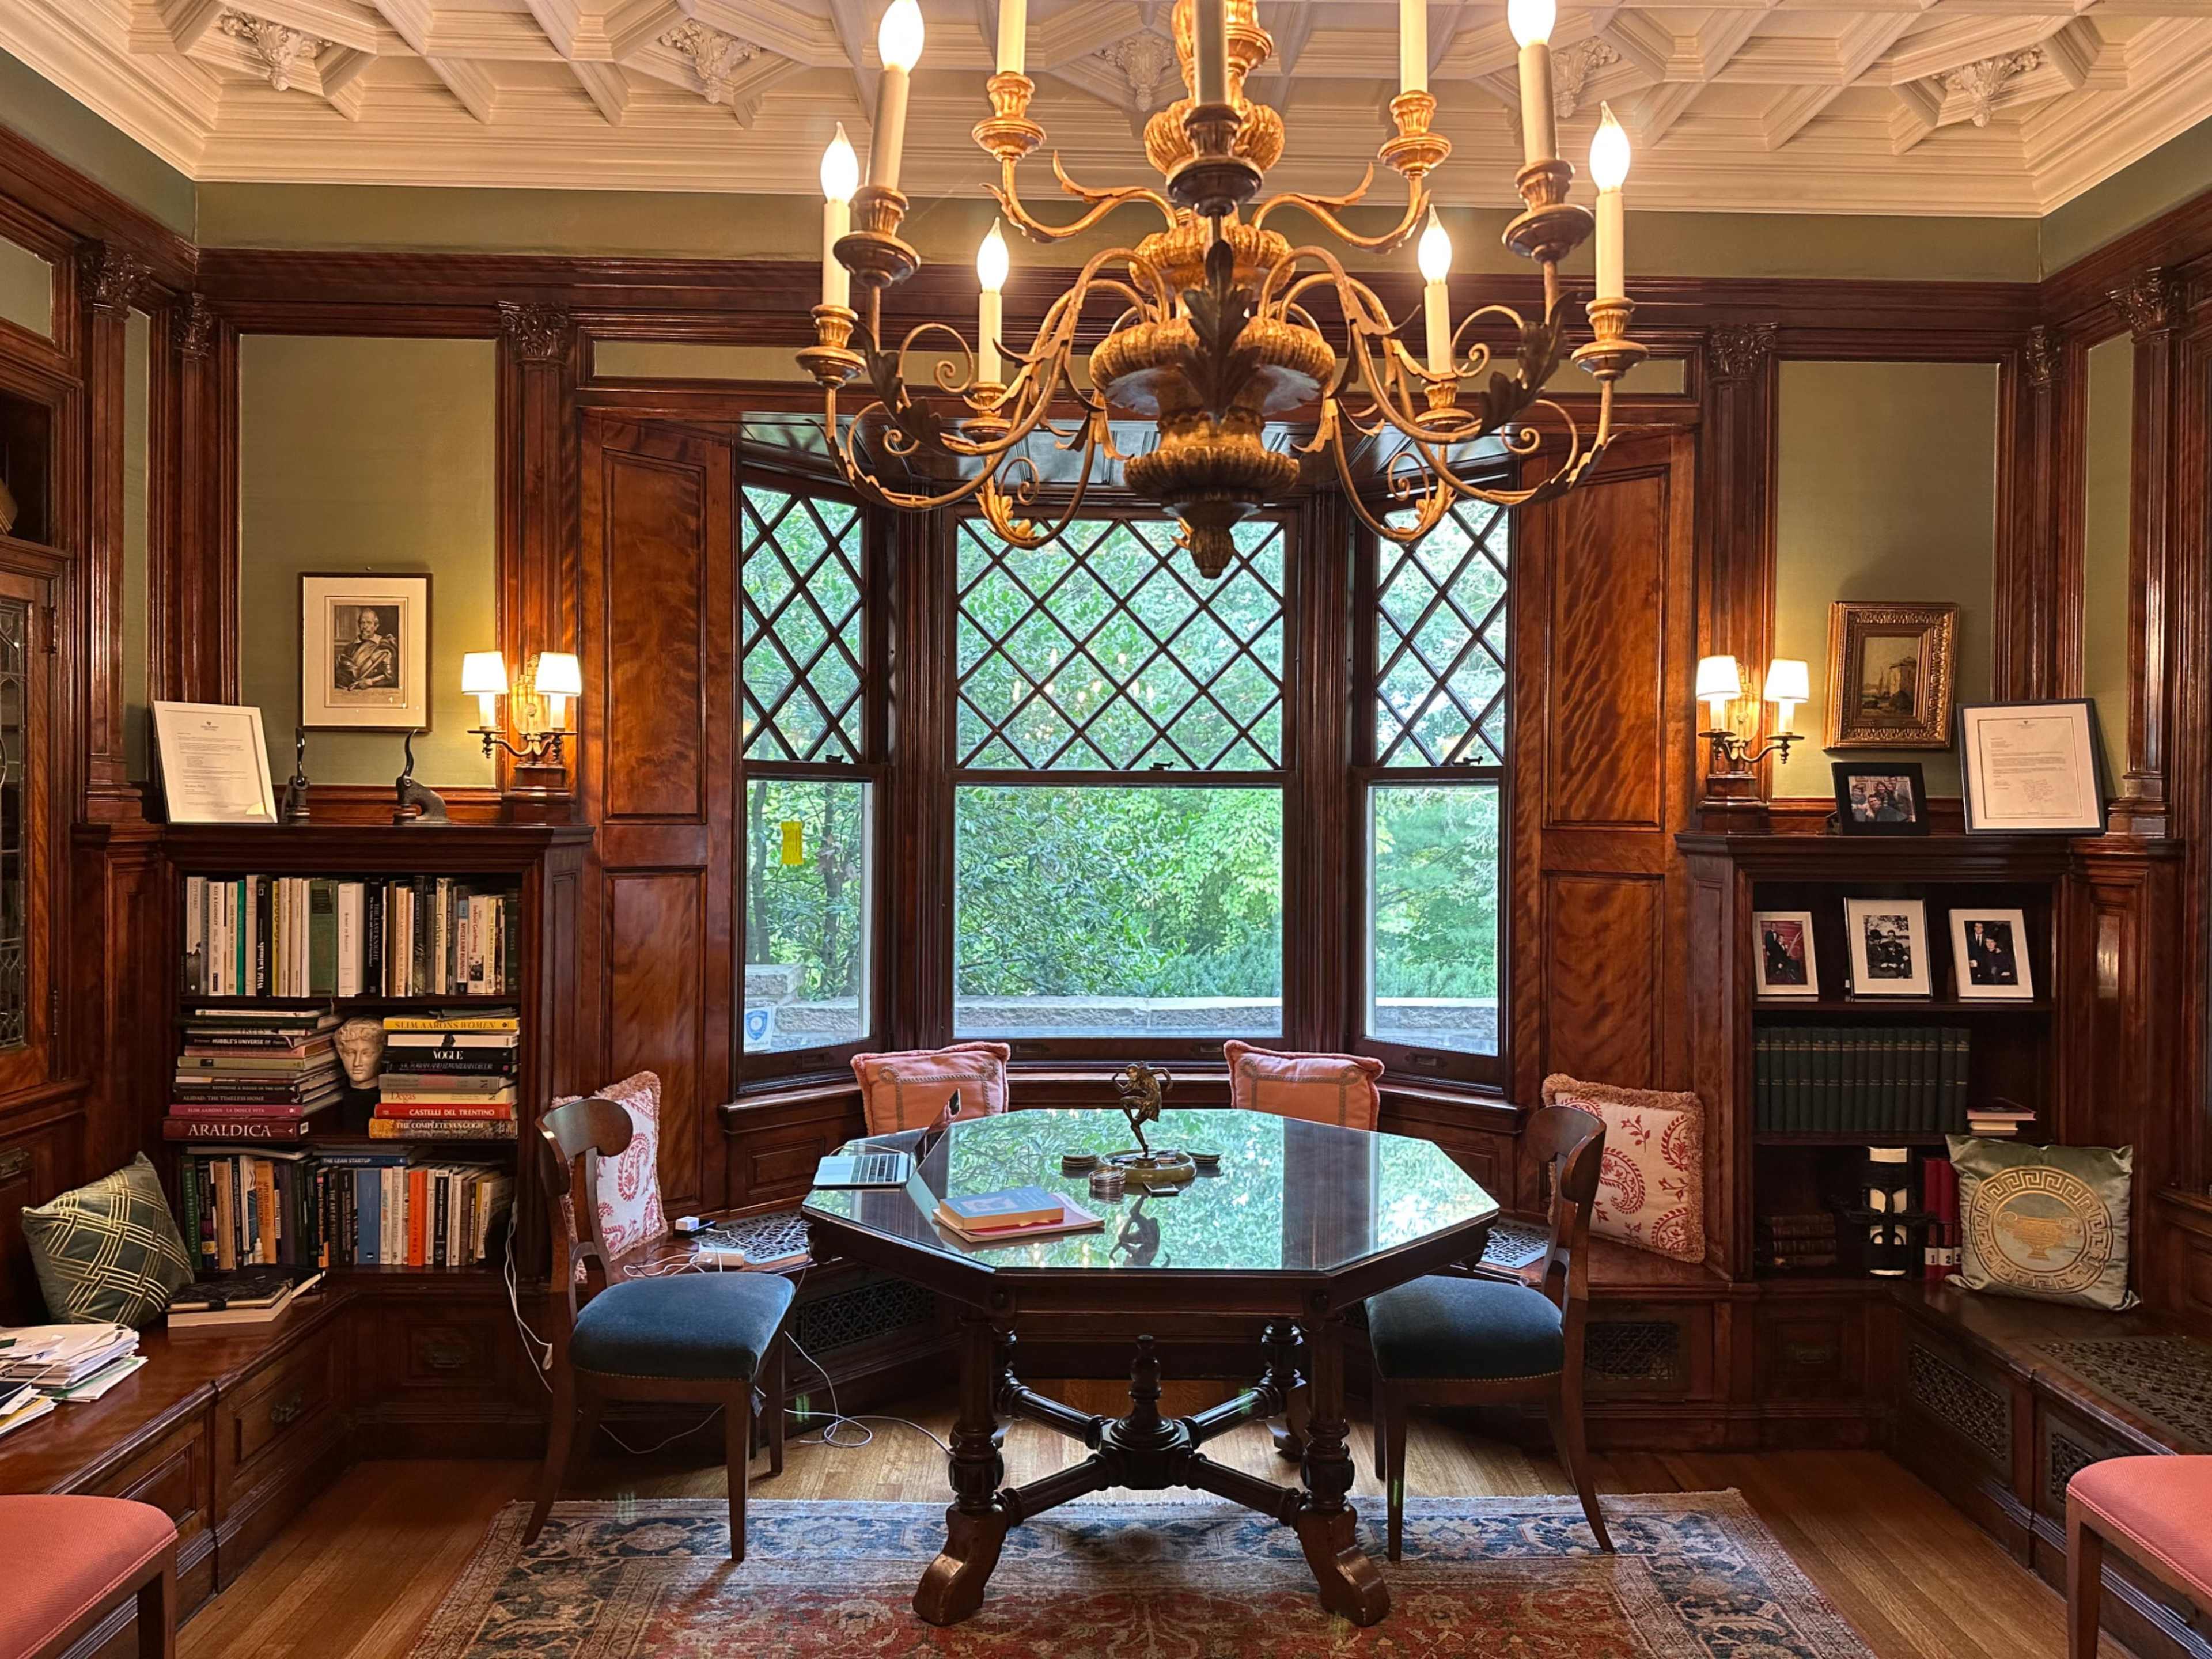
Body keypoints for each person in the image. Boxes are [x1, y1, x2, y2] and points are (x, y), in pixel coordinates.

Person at [335, 606, 399, 692]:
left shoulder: (384, 646)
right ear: (359, 625)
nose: (365, 626)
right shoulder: (350, 647)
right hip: (349, 691)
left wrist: (371, 682)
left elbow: (391, 677)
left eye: (369, 623)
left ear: (376, 626)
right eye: (362, 623)